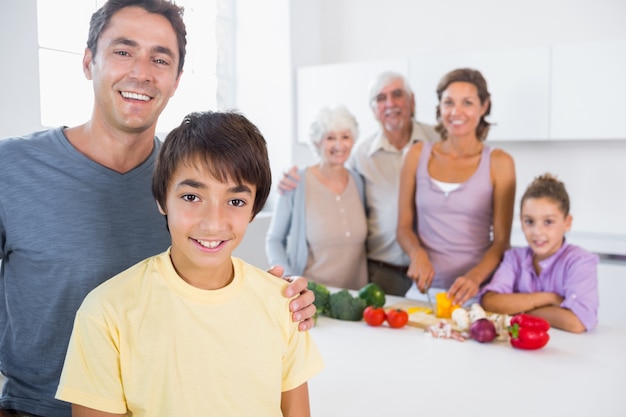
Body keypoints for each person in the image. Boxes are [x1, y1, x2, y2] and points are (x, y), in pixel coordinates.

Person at [0, 2, 314, 416]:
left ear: (177, 78)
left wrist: (282, 297)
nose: (141, 72)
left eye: (160, 58)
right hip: (35, 408)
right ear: (88, 61)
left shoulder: (191, 177)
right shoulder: (11, 169)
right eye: (123, 51)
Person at [55, 111, 325, 416]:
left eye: (235, 201)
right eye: (192, 197)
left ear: (253, 209)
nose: (213, 223)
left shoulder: (282, 303)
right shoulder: (106, 312)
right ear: (162, 200)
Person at [280, 72, 439, 295]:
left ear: (412, 100)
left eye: (397, 94)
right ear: (374, 109)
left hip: (437, 271)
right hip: (382, 274)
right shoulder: (361, 156)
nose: (390, 103)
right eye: (381, 98)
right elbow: (330, 174)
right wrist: (289, 178)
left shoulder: (439, 142)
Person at [396, 68, 516, 306]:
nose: (456, 112)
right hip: (423, 293)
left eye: (467, 103)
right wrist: (417, 253)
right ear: (439, 108)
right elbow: (403, 228)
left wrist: (474, 278)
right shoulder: (416, 155)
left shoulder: (500, 163)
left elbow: (501, 242)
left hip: (476, 294)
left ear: (484, 107)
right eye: (448, 102)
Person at [480, 173, 599, 333]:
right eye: (529, 221)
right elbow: (490, 302)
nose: (537, 232)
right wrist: (547, 298)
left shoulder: (579, 262)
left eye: (548, 222)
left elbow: (576, 322)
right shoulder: (514, 258)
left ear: (567, 222)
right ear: (521, 222)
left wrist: (517, 308)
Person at [266, 105, 367, 290]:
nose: (339, 145)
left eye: (345, 137)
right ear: (317, 142)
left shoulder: (358, 182)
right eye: (330, 138)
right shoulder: (295, 182)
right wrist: (288, 279)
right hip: (311, 299)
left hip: (357, 301)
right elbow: (274, 239)